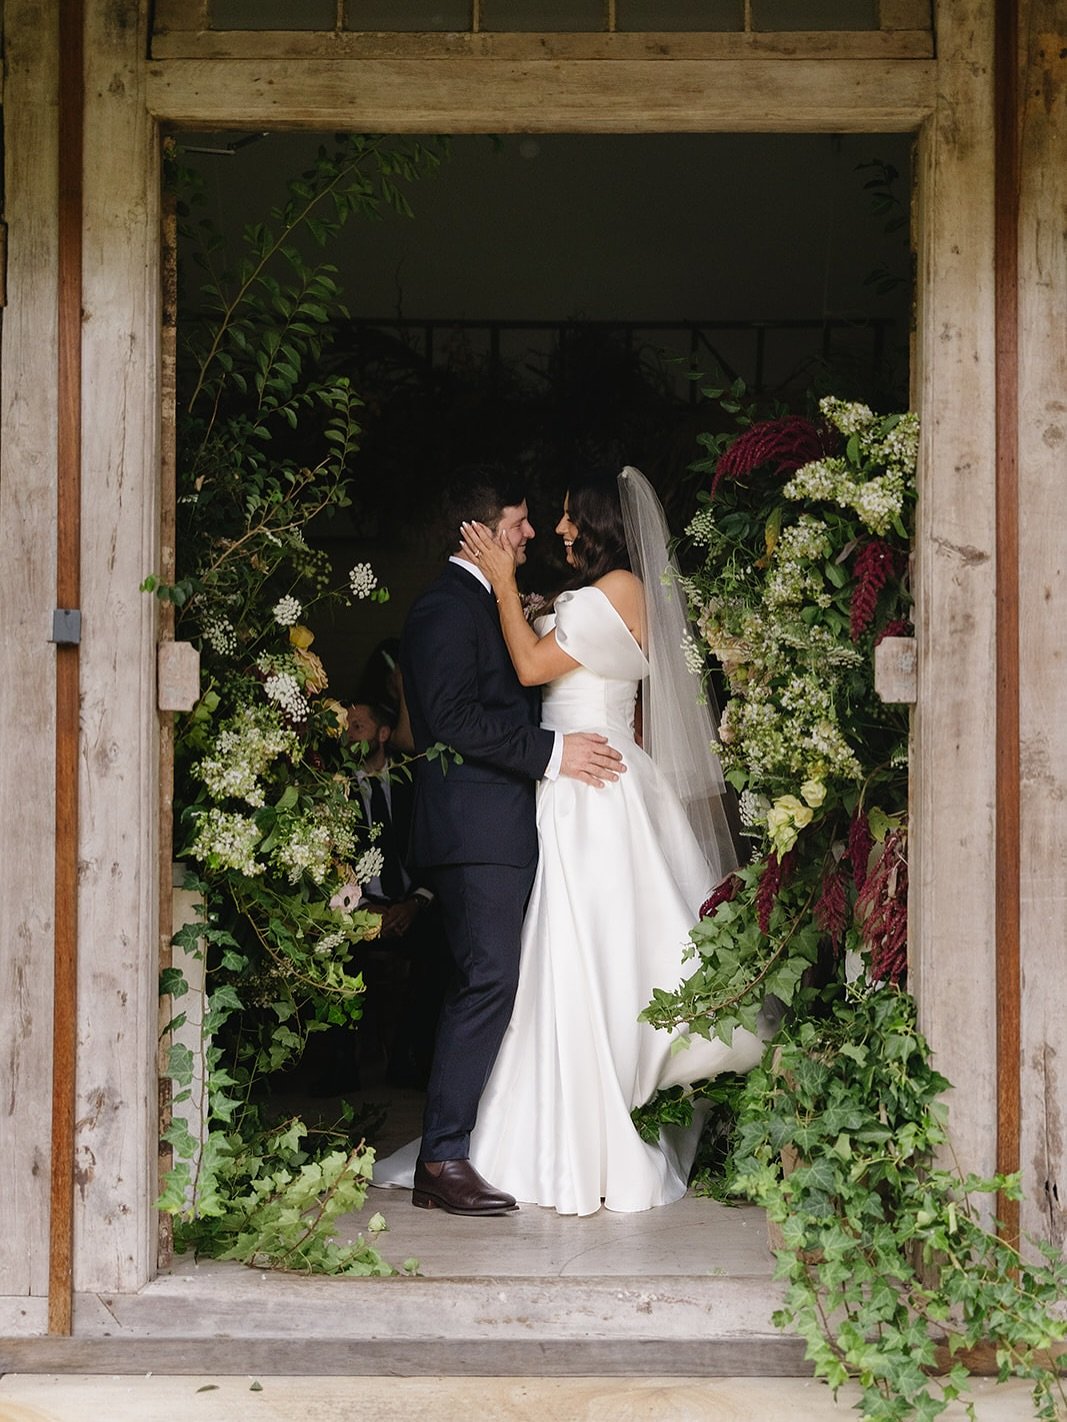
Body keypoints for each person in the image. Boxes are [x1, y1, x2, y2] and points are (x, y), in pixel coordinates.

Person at [375, 466, 768, 1216]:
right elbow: (486, 698)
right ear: (483, 531)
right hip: (557, 790)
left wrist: (506, 595)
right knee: (536, 969)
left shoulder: (611, 590)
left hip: (583, 790)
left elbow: (528, 667)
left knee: (579, 961)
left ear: (598, 522)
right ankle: (472, 1147)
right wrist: (516, 606)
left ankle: (521, 1137)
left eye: (561, 518)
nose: (549, 532)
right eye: (529, 521)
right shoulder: (468, 606)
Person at [397, 466, 627, 1218]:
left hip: (506, 822)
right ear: (478, 530)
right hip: (475, 828)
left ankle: (470, 1144)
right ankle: (442, 1156)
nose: (531, 535)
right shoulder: (442, 607)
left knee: (503, 979)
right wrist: (555, 753)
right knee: (487, 979)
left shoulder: (481, 603)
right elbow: (452, 719)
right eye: (518, 522)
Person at [346, 700, 445, 1088]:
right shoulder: (335, 786)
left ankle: (412, 1062)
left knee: (440, 950)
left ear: (383, 734)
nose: (351, 733)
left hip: (411, 901)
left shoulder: (413, 779)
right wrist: (364, 906)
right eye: (348, 726)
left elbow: (437, 846)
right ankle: (347, 1067)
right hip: (356, 905)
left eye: (360, 725)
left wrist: (414, 903)